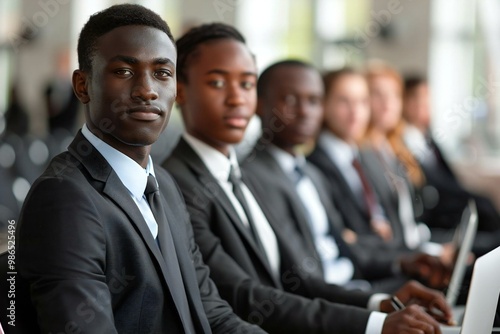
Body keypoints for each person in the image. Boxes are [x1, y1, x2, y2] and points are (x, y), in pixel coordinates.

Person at [163, 24, 452, 332]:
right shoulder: (178, 185)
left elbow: (297, 280)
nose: (236, 98)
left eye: (246, 84)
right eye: (218, 82)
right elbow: (245, 295)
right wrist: (374, 325)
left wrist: (380, 304)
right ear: (180, 90)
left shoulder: (240, 176)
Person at [15, 5, 264, 333]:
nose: (147, 90)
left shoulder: (164, 184)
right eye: (124, 71)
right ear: (82, 85)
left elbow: (210, 311)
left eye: (162, 73)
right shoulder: (64, 197)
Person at [402, 76, 500, 255]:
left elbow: (449, 176)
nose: (424, 105)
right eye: (417, 99)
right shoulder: (404, 141)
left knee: (485, 206)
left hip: (448, 199)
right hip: (436, 210)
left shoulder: (428, 137)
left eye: (427, 99)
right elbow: (434, 184)